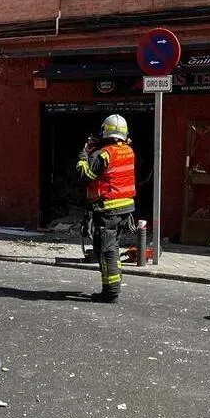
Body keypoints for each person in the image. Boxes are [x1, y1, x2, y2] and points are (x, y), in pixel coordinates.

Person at [76, 114, 136, 303]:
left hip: (108, 208)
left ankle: (110, 292)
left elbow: (85, 173)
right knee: (112, 247)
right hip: (125, 208)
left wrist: (84, 153)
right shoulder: (128, 150)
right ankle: (113, 286)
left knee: (106, 250)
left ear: (105, 132)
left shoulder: (103, 154)